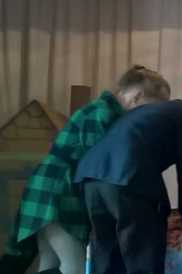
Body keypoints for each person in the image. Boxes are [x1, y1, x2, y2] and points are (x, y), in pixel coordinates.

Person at [2, 66, 169, 274]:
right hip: (57, 193)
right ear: (137, 96)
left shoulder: (100, 111)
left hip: (49, 190)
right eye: (150, 110)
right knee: (75, 267)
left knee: (50, 261)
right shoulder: (102, 114)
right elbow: (102, 167)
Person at [74, 98, 182, 274]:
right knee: (144, 258)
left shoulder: (152, 111)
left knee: (106, 254)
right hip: (128, 177)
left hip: (91, 175)